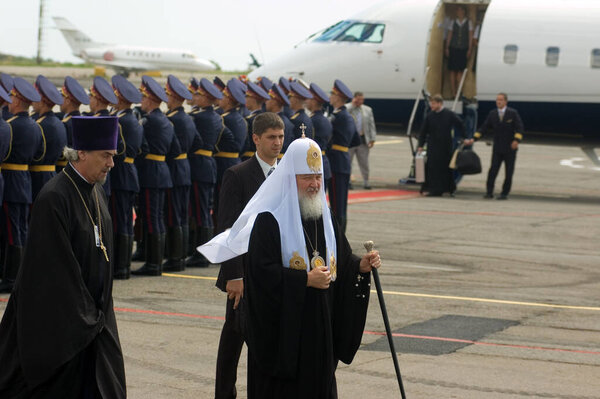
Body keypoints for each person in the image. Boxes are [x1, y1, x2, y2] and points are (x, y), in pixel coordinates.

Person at [199, 137, 381, 399]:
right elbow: (259, 275)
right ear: (290, 177)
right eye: (306, 177)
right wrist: (303, 280)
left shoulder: (325, 215)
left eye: (318, 176)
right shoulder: (269, 220)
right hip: (285, 339)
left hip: (321, 329)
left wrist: (359, 266)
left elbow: (341, 257)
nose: (314, 184)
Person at [0, 116, 126, 398]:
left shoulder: (97, 192)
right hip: (64, 326)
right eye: (105, 155)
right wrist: (87, 318)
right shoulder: (54, 197)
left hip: (95, 319)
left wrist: (99, 314)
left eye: (113, 156)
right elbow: (54, 273)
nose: (111, 164)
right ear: (82, 153)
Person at [213, 112, 285, 399]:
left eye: (280, 137)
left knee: (269, 339)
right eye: (271, 137)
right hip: (243, 274)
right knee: (234, 339)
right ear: (256, 139)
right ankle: (224, 394)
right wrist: (234, 275)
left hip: (273, 271)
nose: (277, 143)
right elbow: (227, 228)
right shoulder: (238, 175)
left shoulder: (285, 175)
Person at [132, 76, 180, 276]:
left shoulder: (148, 121)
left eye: (144, 98)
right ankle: (156, 262)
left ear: (150, 100)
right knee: (157, 217)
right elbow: (175, 149)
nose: (141, 102)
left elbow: (139, 147)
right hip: (163, 171)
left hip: (150, 173)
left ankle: (153, 264)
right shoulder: (167, 122)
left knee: (151, 218)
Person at [0, 77, 44, 293]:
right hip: (25, 181)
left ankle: (11, 277)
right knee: (20, 229)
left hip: (11, 180)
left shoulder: (11, 126)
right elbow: (38, 155)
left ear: (17, 101)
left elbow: (6, 153)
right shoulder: (36, 127)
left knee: (10, 230)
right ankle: (20, 275)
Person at [186, 78, 223, 268]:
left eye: (199, 94)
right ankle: (203, 252)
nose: (196, 97)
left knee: (200, 212)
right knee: (204, 210)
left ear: (206, 97)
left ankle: (201, 254)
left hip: (199, 165)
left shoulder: (199, 118)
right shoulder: (216, 116)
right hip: (209, 164)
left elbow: (195, 141)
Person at [110, 75, 143, 279]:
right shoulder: (133, 119)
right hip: (130, 173)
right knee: (124, 220)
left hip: (122, 174)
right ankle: (123, 265)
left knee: (120, 220)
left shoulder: (121, 121)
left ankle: (120, 266)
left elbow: (119, 151)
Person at [163, 74, 196, 271]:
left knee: (175, 215)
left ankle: (175, 259)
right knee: (182, 215)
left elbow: (170, 147)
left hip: (174, 168)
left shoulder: (173, 120)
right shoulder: (188, 119)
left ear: (174, 98)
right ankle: (180, 256)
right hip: (185, 167)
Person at [472, 92, 524, 200]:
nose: (498, 102)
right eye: (497, 100)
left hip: (510, 148)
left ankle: (504, 193)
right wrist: (474, 138)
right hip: (497, 148)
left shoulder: (512, 113)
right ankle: (489, 192)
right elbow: (484, 128)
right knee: (493, 170)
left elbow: (520, 128)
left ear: (505, 101)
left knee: (508, 172)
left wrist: (516, 140)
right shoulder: (493, 114)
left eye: (500, 100)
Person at [417, 94, 466, 197]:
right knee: (433, 168)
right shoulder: (430, 116)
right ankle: (435, 189)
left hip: (445, 146)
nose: (432, 106)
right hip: (433, 146)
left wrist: (463, 137)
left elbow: (460, 124)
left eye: (434, 104)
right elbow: (423, 131)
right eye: (431, 103)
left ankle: (449, 188)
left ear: (440, 103)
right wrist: (420, 145)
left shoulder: (449, 114)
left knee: (445, 168)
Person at [328, 79, 359, 233]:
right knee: (340, 203)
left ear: (338, 97)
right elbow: (356, 140)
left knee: (336, 204)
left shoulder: (338, 117)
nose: (330, 97)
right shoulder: (348, 116)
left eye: (332, 94)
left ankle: (338, 236)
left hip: (335, 161)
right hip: (344, 160)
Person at [213, 78, 247, 217]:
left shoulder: (223, 119)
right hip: (237, 163)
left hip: (222, 165)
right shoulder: (241, 119)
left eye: (223, 96)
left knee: (221, 205)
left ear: (228, 99)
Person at [30, 75, 68, 201]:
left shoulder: (40, 125)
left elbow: (34, 155)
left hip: (38, 178)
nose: (33, 101)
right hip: (53, 175)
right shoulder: (59, 123)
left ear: (42, 100)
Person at [58, 76, 90, 172]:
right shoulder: (84, 121)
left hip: (64, 170)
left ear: (68, 101)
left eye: (62, 97)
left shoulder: (65, 124)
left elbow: (60, 154)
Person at [346, 91, 377, 190]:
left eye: (362, 99)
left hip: (362, 140)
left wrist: (372, 138)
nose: (360, 101)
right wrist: (352, 105)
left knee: (364, 162)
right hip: (350, 140)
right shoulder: (348, 108)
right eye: (358, 99)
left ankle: (366, 182)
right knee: (348, 162)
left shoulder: (367, 110)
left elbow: (371, 125)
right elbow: (344, 113)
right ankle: (348, 181)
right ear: (354, 99)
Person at [307, 82, 332, 189]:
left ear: (313, 101)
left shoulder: (312, 121)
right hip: (324, 163)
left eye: (308, 99)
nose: (306, 102)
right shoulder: (326, 120)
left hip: (314, 165)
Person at [445, 5, 473, 97]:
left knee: (460, 71)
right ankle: (453, 92)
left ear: (464, 12)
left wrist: (469, 48)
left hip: (463, 49)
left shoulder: (469, 23)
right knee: (452, 71)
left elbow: (470, 37)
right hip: (453, 48)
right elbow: (449, 35)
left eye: (461, 10)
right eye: (458, 10)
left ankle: (459, 91)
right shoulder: (453, 22)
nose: (459, 12)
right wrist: (447, 47)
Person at [241, 81, 269, 161]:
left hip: (248, 158)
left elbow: (245, 145)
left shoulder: (249, 120)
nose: (245, 99)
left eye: (247, 97)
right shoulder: (266, 118)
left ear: (253, 99)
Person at [265, 84, 293, 157]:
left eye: (268, 99)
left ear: (274, 102)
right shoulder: (286, 120)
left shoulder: (274, 122)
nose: (266, 102)